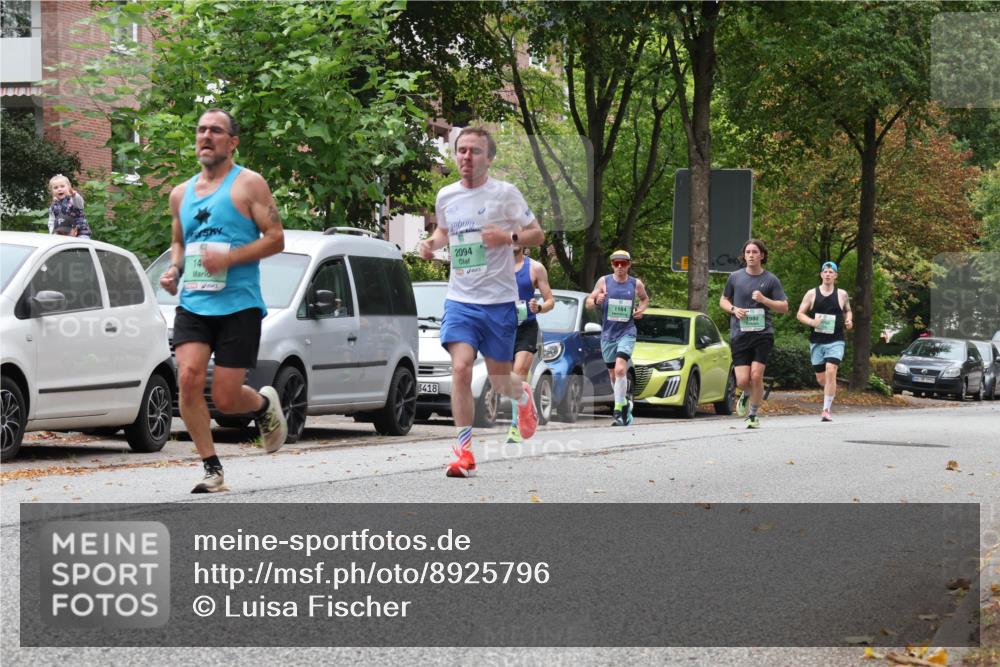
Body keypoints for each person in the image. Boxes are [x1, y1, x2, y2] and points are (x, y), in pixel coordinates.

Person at [159, 108, 287, 493]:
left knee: (228, 399)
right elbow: (180, 242)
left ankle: (263, 407)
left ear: (232, 142)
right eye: (201, 130)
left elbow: (276, 238)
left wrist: (228, 258)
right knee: (188, 378)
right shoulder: (179, 194)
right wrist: (174, 270)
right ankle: (211, 468)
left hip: (239, 304)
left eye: (216, 130)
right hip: (195, 302)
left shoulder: (249, 185)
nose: (206, 136)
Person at [418, 126, 545, 478]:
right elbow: (444, 231)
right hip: (461, 299)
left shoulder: (506, 195)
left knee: (501, 381)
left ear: (489, 158)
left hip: (499, 302)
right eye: (461, 151)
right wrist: (431, 244)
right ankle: (463, 453)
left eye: (475, 152)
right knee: (459, 368)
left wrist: (507, 236)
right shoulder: (446, 196)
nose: (466, 157)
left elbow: (537, 233)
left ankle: (522, 399)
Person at [719, 238, 788, 429]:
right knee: (742, 380)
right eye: (748, 252)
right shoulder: (735, 277)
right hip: (740, 334)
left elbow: (784, 307)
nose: (751, 255)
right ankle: (747, 393)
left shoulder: (771, 280)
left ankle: (753, 414)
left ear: (762, 255)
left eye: (755, 252)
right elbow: (723, 300)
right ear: (744, 255)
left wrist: (765, 299)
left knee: (756, 376)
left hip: (763, 334)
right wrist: (733, 309)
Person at [585, 250, 650, 426]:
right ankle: (624, 403)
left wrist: (641, 310)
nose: (620, 266)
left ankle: (618, 408)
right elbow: (588, 303)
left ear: (629, 265)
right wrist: (597, 300)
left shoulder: (635, 284)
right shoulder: (603, 282)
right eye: (616, 263)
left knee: (621, 369)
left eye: (623, 263)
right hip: (608, 334)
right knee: (613, 375)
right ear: (612, 265)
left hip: (627, 332)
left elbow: (644, 300)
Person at [506, 245, 555, 443]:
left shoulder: (535, 268)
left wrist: (540, 307)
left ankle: (515, 426)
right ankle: (527, 404)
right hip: (503, 329)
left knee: (518, 374)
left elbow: (550, 300)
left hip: (526, 328)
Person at [796, 261, 853, 422]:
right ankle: (831, 388)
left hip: (836, 340)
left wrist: (849, 321)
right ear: (821, 275)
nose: (828, 274)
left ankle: (826, 410)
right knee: (822, 379)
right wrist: (811, 322)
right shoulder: (811, 294)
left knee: (831, 369)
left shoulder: (842, 294)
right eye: (825, 271)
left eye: (831, 272)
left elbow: (848, 310)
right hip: (817, 341)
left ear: (836, 276)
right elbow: (800, 314)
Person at [47, 174, 91, 239]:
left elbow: (80, 203)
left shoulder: (73, 200)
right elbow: (51, 221)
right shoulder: (53, 206)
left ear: (69, 187)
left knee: (80, 245)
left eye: (62, 186)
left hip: (81, 233)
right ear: (52, 191)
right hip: (62, 234)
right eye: (55, 188)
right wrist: (52, 233)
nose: (59, 189)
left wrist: (74, 195)